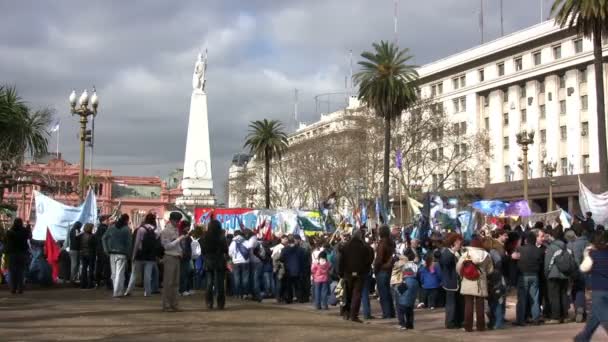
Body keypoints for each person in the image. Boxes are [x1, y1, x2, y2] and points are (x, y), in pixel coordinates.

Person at [574, 231, 608, 341]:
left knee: (604, 317)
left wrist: (586, 255)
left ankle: (582, 338)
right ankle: (582, 338)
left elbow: (584, 268)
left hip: (598, 290)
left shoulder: (592, 255)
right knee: (594, 316)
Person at [456, 237, 493, 332]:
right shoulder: (486, 255)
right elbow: (490, 270)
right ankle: (481, 326)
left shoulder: (466, 254)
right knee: (480, 305)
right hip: (480, 282)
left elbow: (459, 267)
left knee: (468, 305)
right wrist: (484, 273)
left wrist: (462, 276)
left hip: (467, 282)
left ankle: (468, 326)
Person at [339, 229, 374, 323]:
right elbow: (370, 258)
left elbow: (341, 260)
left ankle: (347, 313)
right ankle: (353, 315)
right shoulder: (364, 247)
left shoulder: (346, 246)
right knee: (356, 294)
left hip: (348, 273)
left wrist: (341, 273)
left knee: (348, 293)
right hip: (360, 273)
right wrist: (365, 269)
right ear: (360, 236)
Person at [125, 213, 159, 297]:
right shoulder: (156, 230)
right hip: (151, 256)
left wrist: (133, 255)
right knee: (148, 275)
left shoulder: (141, 229)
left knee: (134, 274)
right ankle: (147, 292)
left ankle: (129, 291)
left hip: (140, 254)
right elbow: (157, 244)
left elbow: (137, 243)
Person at [514, 231, 544, 326]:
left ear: (526, 240)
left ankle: (521, 320)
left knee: (522, 298)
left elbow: (515, 259)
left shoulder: (520, 249)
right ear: (535, 240)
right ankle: (536, 318)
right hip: (535, 275)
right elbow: (540, 262)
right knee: (535, 298)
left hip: (523, 275)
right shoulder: (539, 250)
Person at [544, 228, 571, 324]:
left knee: (554, 296)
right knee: (563, 295)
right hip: (565, 275)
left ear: (552, 236)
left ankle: (556, 317)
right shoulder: (566, 247)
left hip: (553, 275)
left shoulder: (552, 247)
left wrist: (546, 274)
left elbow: (548, 263)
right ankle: (565, 315)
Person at [102, 214, 132, 298]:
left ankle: (116, 291)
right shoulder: (127, 230)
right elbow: (129, 243)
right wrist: (129, 254)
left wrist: (106, 249)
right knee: (120, 274)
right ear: (126, 220)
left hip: (112, 253)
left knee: (114, 273)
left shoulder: (111, 228)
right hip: (122, 254)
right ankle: (118, 292)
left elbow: (103, 238)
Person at [160, 212, 185, 312]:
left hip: (176, 257)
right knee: (168, 282)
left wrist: (180, 251)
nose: (178, 223)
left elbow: (176, 245)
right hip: (169, 257)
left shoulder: (176, 230)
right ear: (171, 220)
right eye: (176, 221)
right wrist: (179, 239)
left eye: (178, 221)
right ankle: (166, 304)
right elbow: (166, 246)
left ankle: (174, 304)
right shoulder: (166, 231)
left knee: (175, 283)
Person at [201, 219, 228, 310]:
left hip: (209, 261)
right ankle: (220, 303)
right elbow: (225, 249)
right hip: (219, 260)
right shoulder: (221, 236)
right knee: (220, 283)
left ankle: (209, 302)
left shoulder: (205, 236)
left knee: (209, 283)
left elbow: (203, 250)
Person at [439, 233, 464, 329]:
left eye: (460, 240)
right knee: (451, 303)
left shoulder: (460, 252)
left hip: (459, 280)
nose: (460, 242)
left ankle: (459, 320)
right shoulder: (446, 252)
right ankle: (450, 322)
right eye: (458, 240)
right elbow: (445, 263)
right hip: (450, 281)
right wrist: (454, 251)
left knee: (460, 302)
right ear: (452, 241)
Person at [568, 224, 590, 323]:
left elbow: (575, 260)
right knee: (582, 290)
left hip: (578, 270)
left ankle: (579, 309)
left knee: (577, 290)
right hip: (588, 270)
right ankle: (583, 311)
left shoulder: (574, 244)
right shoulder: (588, 243)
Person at [394, 249, 420, 330]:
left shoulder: (402, 264)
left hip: (404, 282)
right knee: (410, 305)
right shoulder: (416, 265)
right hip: (414, 283)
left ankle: (402, 323)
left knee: (400, 304)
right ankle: (410, 324)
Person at [374, 226, 396, 319]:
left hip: (382, 269)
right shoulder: (391, 242)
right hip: (389, 268)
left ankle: (386, 313)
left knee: (383, 293)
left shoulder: (382, 243)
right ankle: (391, 312)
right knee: (387, 292)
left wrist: (376, 268)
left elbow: (379, 259)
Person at [5, 218, 29, 294]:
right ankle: (20, 288)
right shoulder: (24, 231)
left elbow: (6, 240)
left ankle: (13, 288)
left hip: (12, 254)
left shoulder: (10, 232)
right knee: (20, 272)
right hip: (22, 254)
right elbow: (29, 236)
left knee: (12, 272)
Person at [280, 235, 305, 304]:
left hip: (288, 270)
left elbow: (281, 259)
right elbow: (303, 260)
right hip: (298, 269)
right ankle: (300, 298)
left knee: (288, 286)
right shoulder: (301, 250)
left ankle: (289, 299)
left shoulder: (284, 249)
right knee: (298, 285)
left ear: (288, 241)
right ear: (294, 241)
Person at [229, 230, 250, 299]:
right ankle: (245, 294)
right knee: (245, 279)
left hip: (236, 262)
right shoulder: (246, 241)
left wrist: (234, 257)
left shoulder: (233, 243)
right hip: (245, 262)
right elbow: (250, 250)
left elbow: (230, 253)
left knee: (236, 278)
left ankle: (237, 294)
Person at [94, 215, 111, 289]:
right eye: (107, 220)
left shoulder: (98, 229)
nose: (109, 221)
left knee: (99, 266)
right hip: (105, 250)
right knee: (106, 267)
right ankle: (107, 283)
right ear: (104, 220)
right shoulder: (105, 229)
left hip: (99, 250)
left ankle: (97, 282)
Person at [78, 223, 97, 289]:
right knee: (91, 269)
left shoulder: (81, 236)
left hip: (83, 253)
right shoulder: (92, 236)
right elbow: (95, 246)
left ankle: (83, 284)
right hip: (91, 254)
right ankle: (90, 284)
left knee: (84, 269)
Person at [178, 221, 193, 296]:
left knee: (186, 272)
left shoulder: (183, 233)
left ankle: (185, 289)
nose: (189, 228)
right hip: (184, 256)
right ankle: (182, 290)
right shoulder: (183, 234)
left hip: (186, 256)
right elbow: (183, 245)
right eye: (188, 226)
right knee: (183, 273)